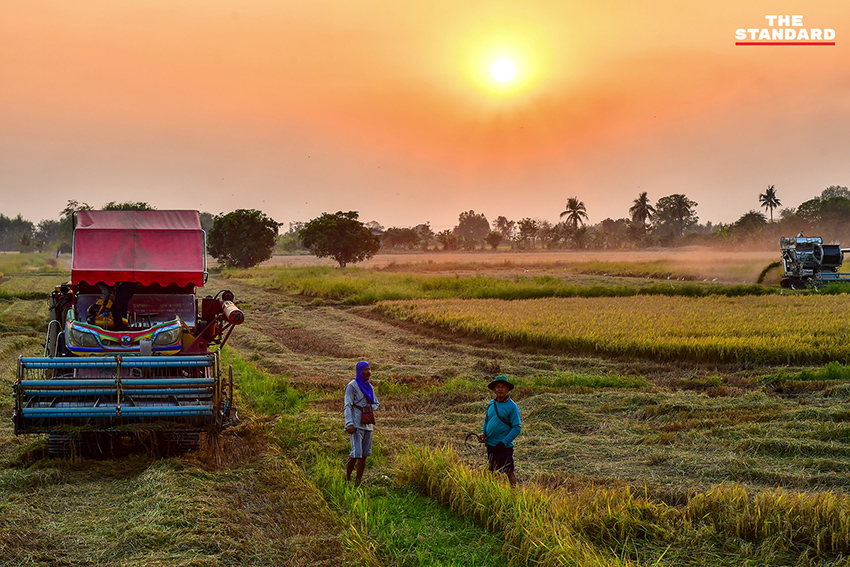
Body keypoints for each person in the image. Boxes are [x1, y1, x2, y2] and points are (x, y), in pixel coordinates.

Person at [478, 375, 521, 487]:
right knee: (493, 471)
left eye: (503, 387)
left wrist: (504, 442)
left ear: (507, 390)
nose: (500, 389)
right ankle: (495, 492)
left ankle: (515, 494)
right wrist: (483, 433)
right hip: (491, 444)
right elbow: (487, 419)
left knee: (509, 472)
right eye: (498, 387)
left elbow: (517, 427)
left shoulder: (512, 407)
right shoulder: (491, 403)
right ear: (494, 389)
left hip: (504, 447)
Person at [344, 360, 379, 486]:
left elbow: (376, 403)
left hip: (367, 424)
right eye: (366, 370)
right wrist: (349, 424)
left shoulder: (369, 387)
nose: (368, 372)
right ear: (359, 371)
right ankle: (347, 479)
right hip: (356, 424)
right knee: (356, 454)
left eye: (370, 369)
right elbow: (347, 405)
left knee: (364, 454)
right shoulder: (352, 386)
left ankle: (357, 483)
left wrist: (368, 408)